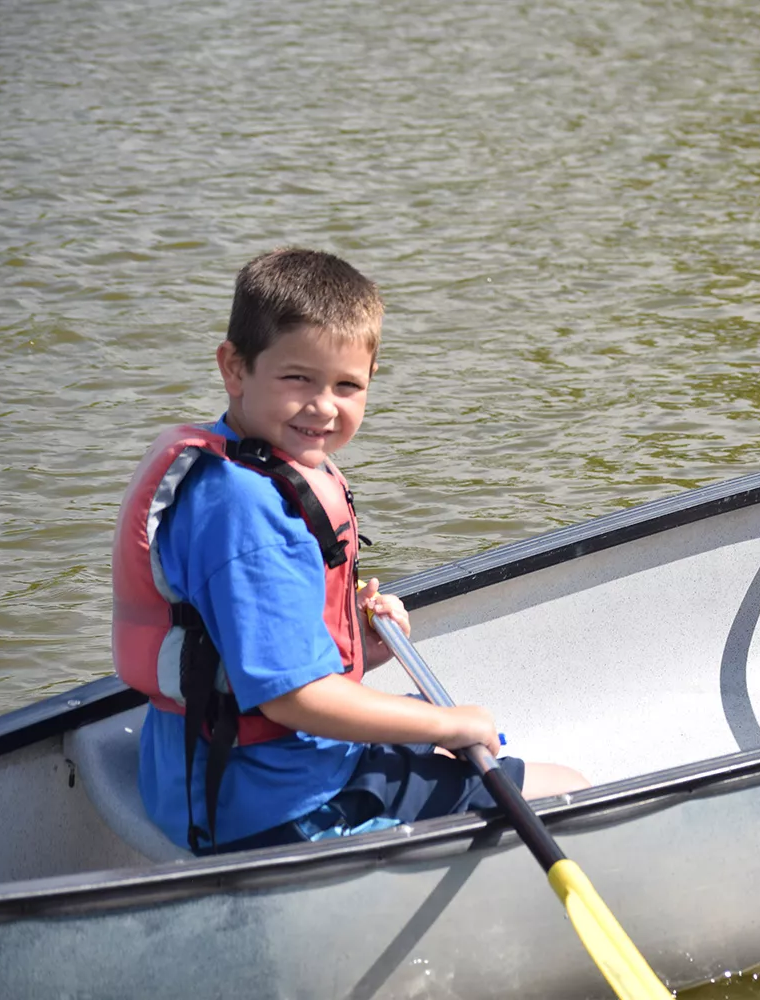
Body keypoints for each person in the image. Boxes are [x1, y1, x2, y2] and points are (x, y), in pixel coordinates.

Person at [112, 247, 587, 855]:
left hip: (223, 772)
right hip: (270, 805)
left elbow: (251, 654)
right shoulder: (245, 512)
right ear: (234, 367)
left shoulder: (254, 466)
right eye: (297, 379)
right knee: (567, 789)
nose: (323, 407)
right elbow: (292, 697)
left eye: (347, 385)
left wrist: (363, 647)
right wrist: (449, 720)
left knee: (441, 737)